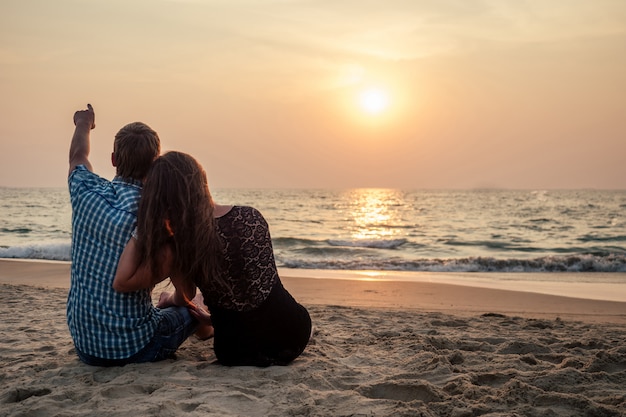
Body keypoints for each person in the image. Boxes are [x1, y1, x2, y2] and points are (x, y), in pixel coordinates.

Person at [113, 151, 312, 366]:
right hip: (292, 335)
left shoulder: (182, 243)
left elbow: (185, 297)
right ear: (202, 179)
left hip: (235, 351)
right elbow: (254, 289)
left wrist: (168, 299)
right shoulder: (250, 217)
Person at [67, 104, 198, 367]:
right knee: (192, 307)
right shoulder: (154, 214)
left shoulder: (85, 191)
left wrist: (84, 123)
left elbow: (77, 156)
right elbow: (187, 292)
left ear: (114, 159)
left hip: (85, 346)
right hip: (134, 348)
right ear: (155, 163)